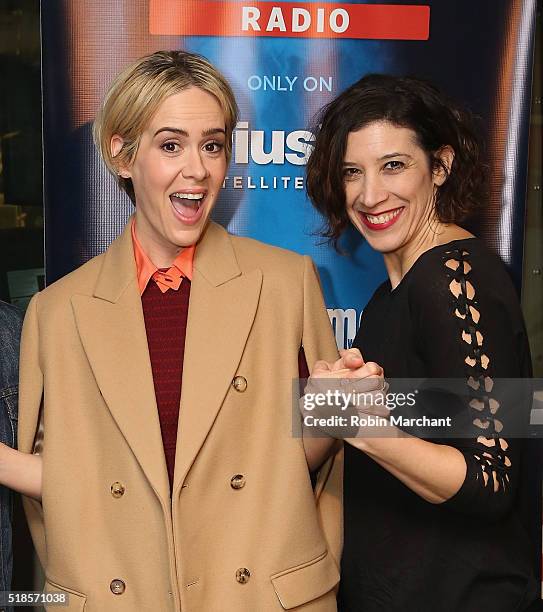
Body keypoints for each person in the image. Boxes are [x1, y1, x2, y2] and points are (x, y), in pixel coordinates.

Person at [13, 50, 360, 611]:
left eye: (213, 144)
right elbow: (63, 488)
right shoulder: (58, 312)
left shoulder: (286, 280)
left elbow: (308, 467)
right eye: (171, 145)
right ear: (121, 155)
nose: (197, 169)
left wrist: (334, 410)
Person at [304, 74, 542, 611]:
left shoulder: (456, 277)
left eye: (394, 165)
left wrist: (366, 430)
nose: (370, 195)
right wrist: (326, 411)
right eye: (352, 173)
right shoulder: (389, 298)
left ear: (440, 167)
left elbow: (490, 482)